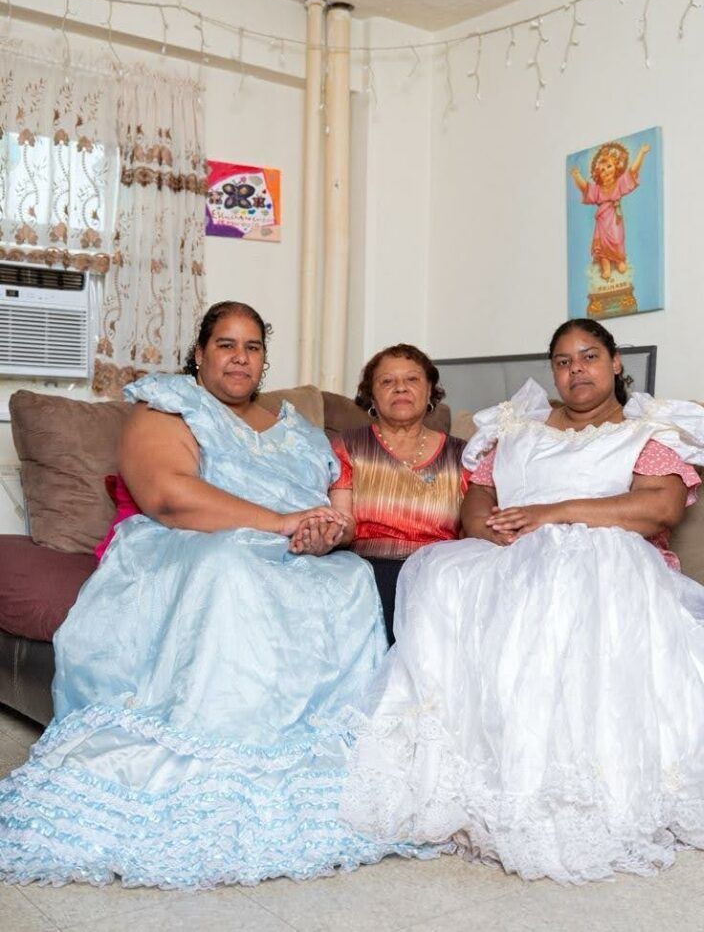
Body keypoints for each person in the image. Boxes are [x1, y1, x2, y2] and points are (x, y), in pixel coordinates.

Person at [0, 301, 433, 888]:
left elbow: (334, 511)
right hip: (189, 544)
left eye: (252, 347)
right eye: (226, 345)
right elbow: (167, 497)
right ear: (200, 355)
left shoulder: (301, 433)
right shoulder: (168, 406)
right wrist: (281, 523)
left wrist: (327, 532)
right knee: (231, 565)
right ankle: (216, 758)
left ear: (263, 360)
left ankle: (317, 753)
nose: (239, 358)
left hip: (293, 552)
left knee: (350, 577)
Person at [340, 318, 704, 884]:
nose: (576, 369)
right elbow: (478, 499)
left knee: (570, 582)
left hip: (608, 557)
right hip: (511, 553)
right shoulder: (514, 426)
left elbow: (659, 509)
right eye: (563, 361)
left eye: (589, 356)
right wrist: (491, 533)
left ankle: (566, 790)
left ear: (615, 363)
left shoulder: (648, 431)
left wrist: (551, 514)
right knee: (442, 577)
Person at [323, 344, 468, 645]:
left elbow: (470, 530)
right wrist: (328, 531)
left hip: (437, 568)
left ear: (430, 390)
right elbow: (342, 520)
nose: (400, 387)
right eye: (387, 381)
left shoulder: (463, 454)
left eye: (412, 379)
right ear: (371, 396)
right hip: (368, 565)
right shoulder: (346, 446)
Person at [570, 141, 649, 281]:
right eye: (602, 170)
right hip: (602, 222)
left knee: (617, 240)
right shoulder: (597, 190)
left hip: (615, 219)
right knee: (602, 245)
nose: (606, 171)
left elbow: (632, 171)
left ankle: (619, 260)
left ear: (616, 167)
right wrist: (576, 176)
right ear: (598, 174)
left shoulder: (619, 183)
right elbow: (585, 188)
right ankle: (606, 267)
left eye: (609, 166)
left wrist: (641, 153)